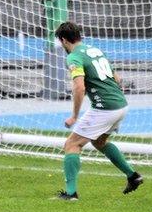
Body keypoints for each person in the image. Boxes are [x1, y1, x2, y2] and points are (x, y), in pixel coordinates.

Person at [54, 21, 143, 200]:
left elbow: (79, 87)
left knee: (72, 145)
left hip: (105, 108)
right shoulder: (95, 50)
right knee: (99, 142)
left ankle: (71, 194)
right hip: (120, 105)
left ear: (64, 40)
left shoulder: (73, 57)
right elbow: (117, 78)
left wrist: (74, 116)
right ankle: (133, 176)